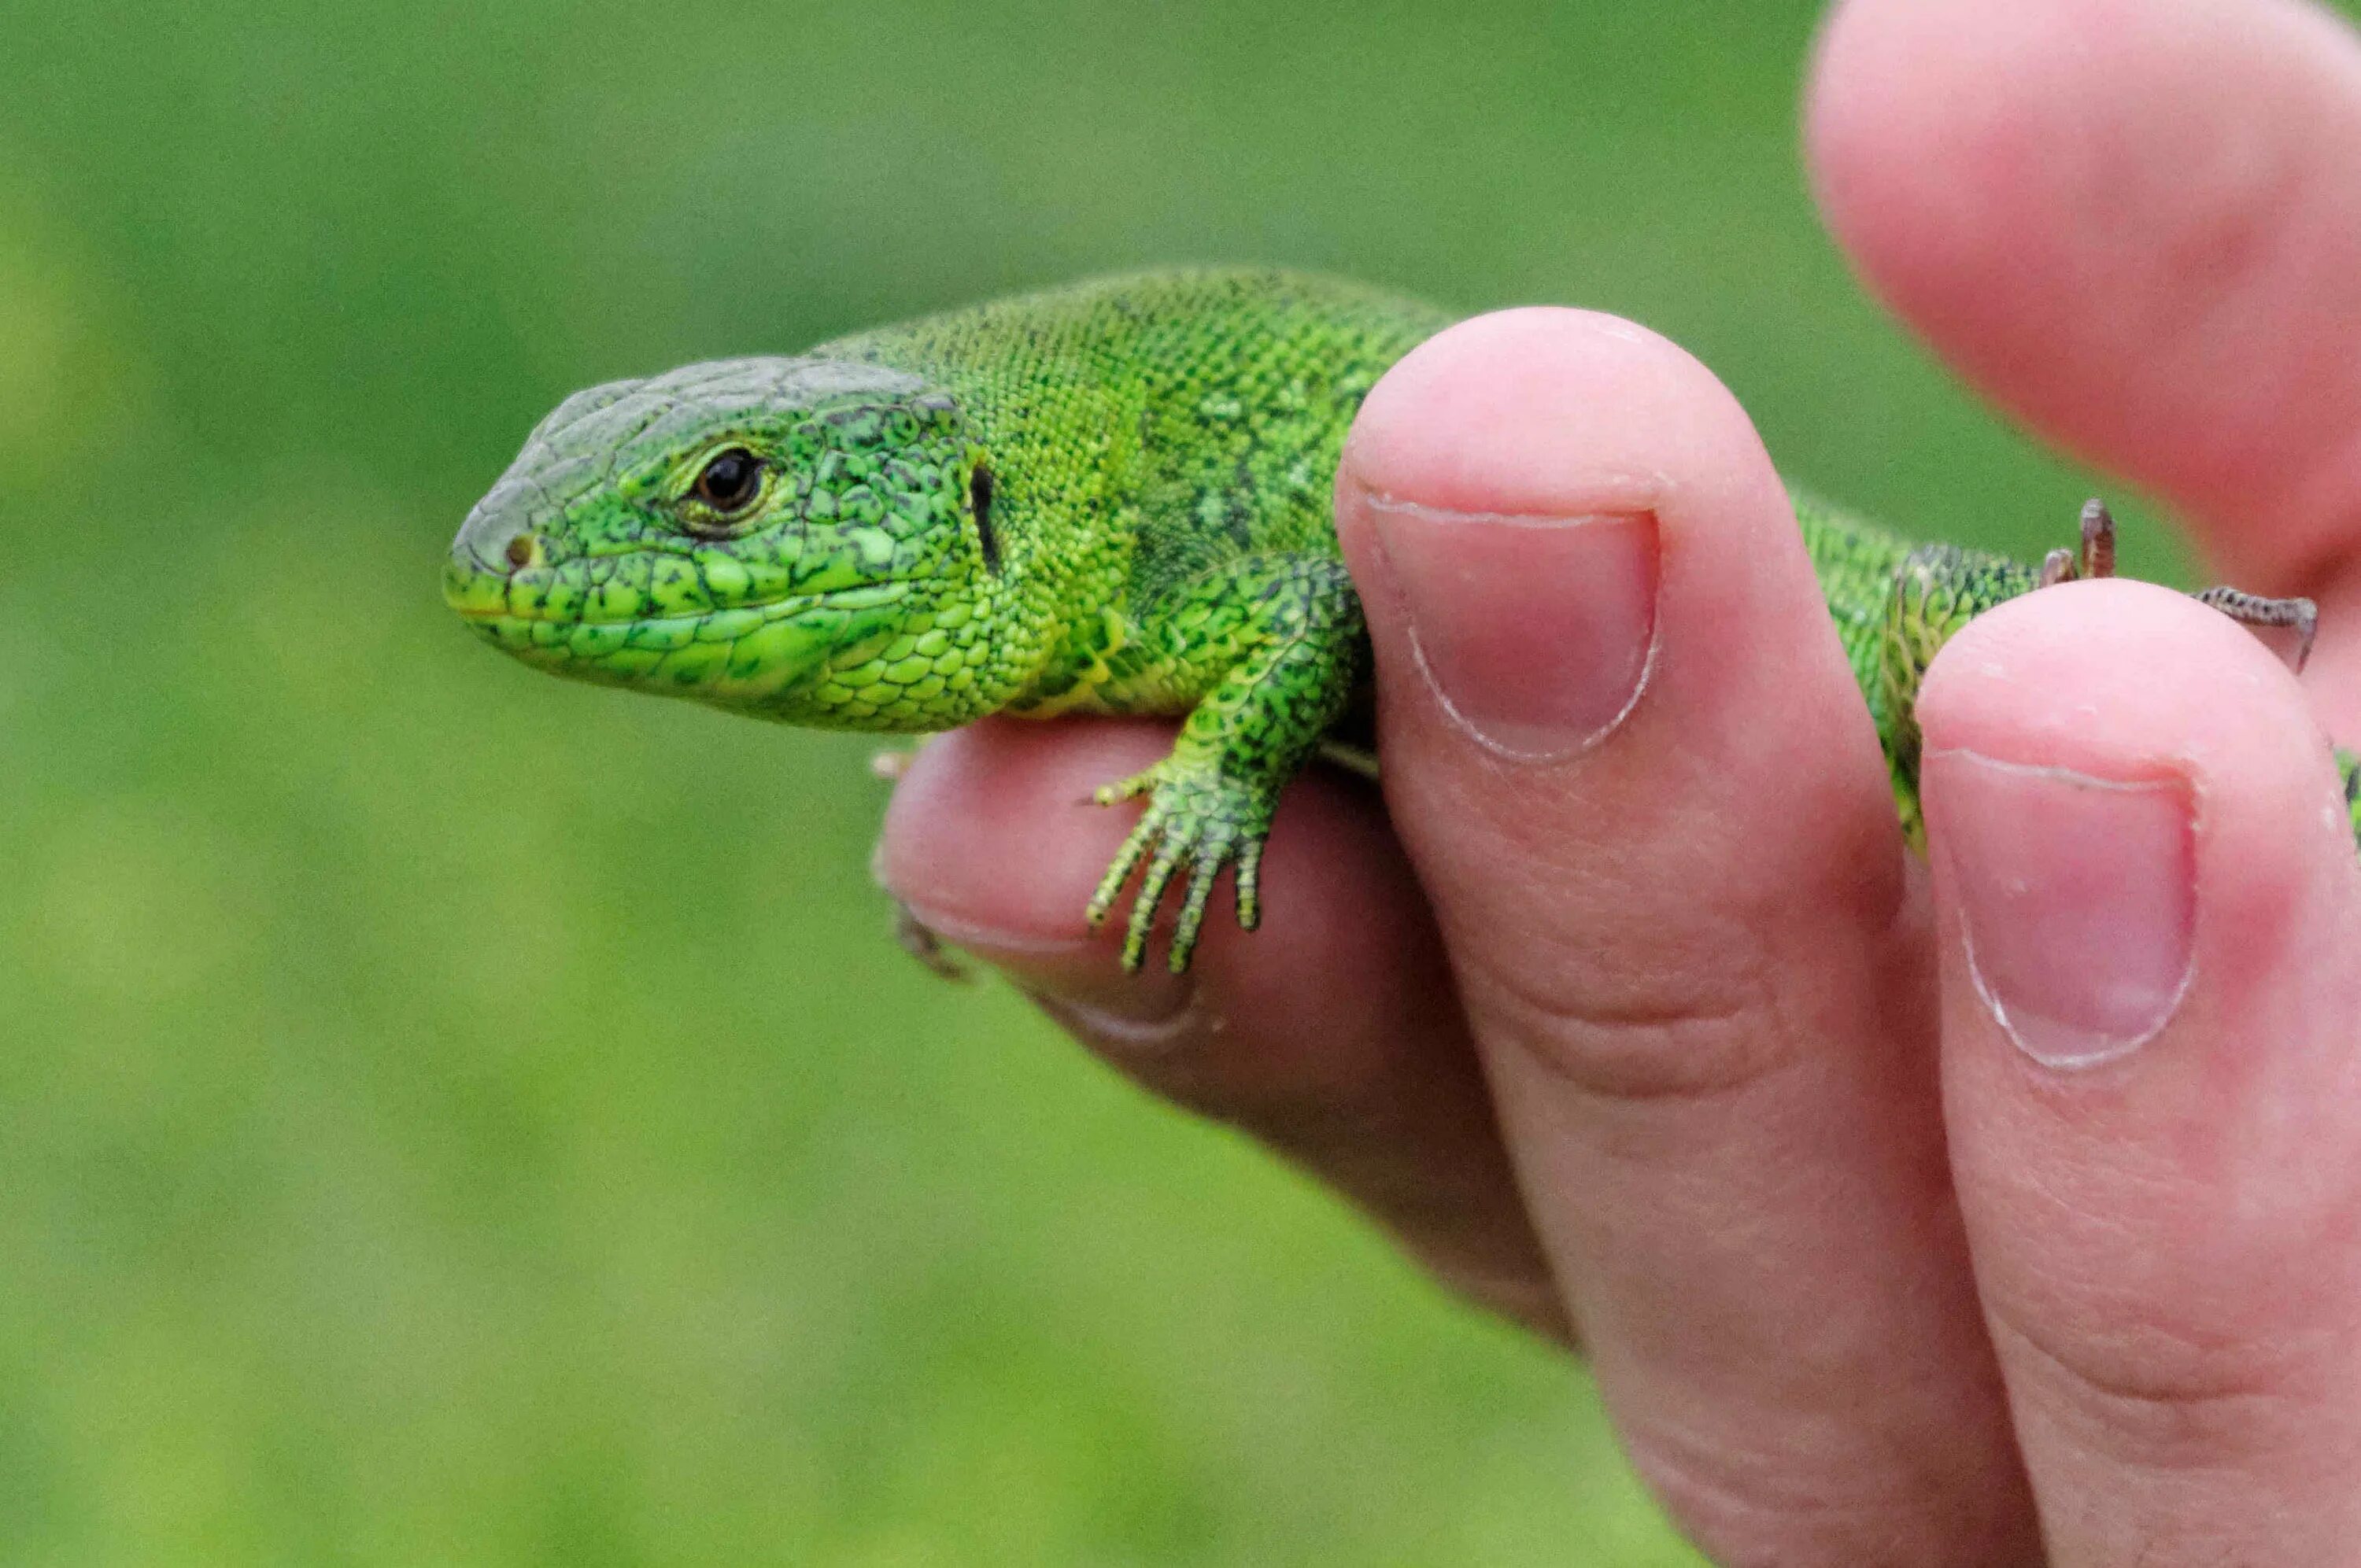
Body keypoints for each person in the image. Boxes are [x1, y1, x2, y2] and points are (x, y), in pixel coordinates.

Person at [877, 0, 2361, 1559]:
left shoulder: (1132, 588)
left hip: (1892, 657)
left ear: (966, 504)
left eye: (731, 500)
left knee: (1985, 655)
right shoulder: (1078, 598)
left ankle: (2096, 636)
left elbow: (1298, 612)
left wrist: (1220, 781)